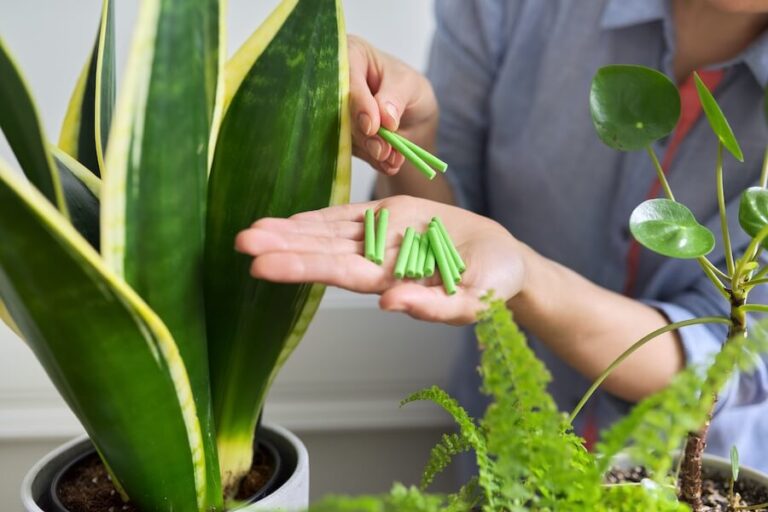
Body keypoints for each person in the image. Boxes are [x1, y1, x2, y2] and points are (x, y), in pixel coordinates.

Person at [236, 0, 768, 471]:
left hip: (701, 477)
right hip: (504, 458)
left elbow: (728, 358)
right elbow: (448, 226)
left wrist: (529, 276)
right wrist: (413, 136)